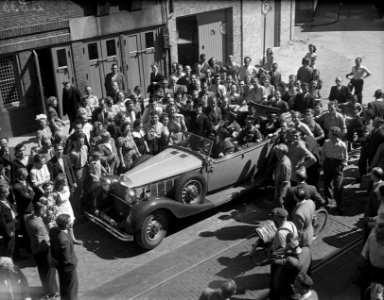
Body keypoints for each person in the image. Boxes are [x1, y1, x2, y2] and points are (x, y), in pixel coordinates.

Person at [25, 202, 59, 299]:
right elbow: (44, 241)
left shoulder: (28, 218)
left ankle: (46, 288)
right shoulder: (38, 225)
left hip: (35, 249)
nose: (46, 211)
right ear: (40, 210)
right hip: (44, 250)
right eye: (44, 210)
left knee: (42, 270)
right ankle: (53, 292)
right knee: (49, 271)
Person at [271, 233, 312, 300]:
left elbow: (272, 259)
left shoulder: (290, 260)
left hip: (290, 290)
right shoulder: (306, 250)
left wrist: (285, 249)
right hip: (302, 281)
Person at [50, 214, 79, 300]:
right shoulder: (64, 240)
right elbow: (66, 259)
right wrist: (72, 263)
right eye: (69, 222)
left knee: (64, 286)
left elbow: (52, 245)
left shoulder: (53, 231)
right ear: (66, 225)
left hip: (59, 264)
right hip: (68, 268)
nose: (71, 224)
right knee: (72, 288)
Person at [321, 126, 348, 214]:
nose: (328, 134)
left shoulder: (342, 145)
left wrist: (343, 165)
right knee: (326, 183)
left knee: (338, 186)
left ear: (334, 135)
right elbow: (323, 153)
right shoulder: (326, 142)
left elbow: (345, 157)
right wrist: (322, 163)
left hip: (337, 165)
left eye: (329, 133)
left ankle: (339, 204)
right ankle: (328, 201)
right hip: (328, 163)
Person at [12, 168, 34, 252]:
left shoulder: (26, 183)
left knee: (31, 230)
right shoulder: (17, 186)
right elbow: (28, 197)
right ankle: (28, 248)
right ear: (21, 176)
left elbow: (32, 193)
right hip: (24, 211)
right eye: (25, 175)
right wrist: (30, 192)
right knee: (27, 231)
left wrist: (30, 192)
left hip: (31, 209)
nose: (27, 177)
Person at [361, 221, 384, 287]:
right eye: (377, 233)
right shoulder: (371, 237)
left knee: (376, 291)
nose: (377, 235)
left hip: (377, 269)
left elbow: (367, 252)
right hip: (374, 268)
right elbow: (367, 251)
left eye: (380, 234)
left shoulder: (372, 237)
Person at [0, 185, 17, 258]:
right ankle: (6, 262)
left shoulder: (5, 200)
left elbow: (10, 209)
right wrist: (8, 231)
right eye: (7, 192)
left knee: (12, 245)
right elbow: (1, 220)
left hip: (12, 224)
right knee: (8, 246)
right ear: (2, 193)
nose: (9, 193)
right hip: (7, 227)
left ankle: (10, 259)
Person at [273, 144, 291, 208]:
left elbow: (285, 181)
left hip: (283, 188)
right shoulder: (281, 160)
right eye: (276, 153)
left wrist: (281, 195)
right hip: (279, 186)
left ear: (284, 153)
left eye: (279, 153)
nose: (277, 155)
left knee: (282, 205)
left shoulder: (284, 164)